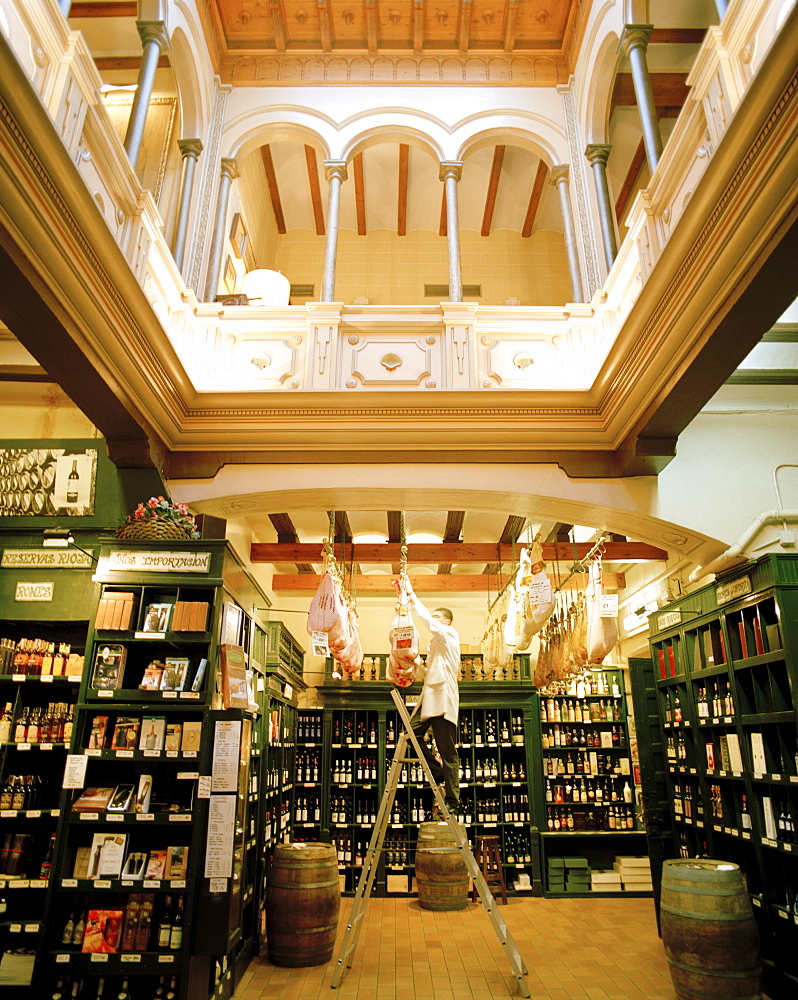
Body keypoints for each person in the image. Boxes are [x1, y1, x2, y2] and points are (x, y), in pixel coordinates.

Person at [393, 576, 460, 817]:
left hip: (442, 701)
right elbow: (427, 674)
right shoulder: (436, 646)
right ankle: (437, 771)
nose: (434, 620)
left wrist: (411, 596)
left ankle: (453, 800)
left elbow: (429, 623)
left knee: (449, 752)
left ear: (447, 622)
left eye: (438, 617)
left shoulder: (450, 635)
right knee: (410, 735)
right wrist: (414, 663)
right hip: (429, 699)